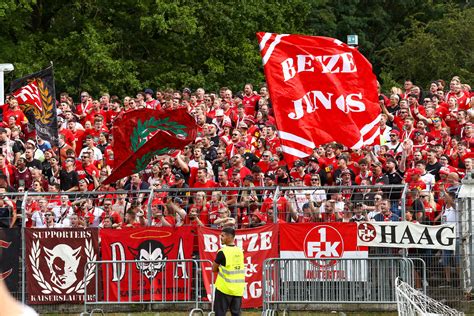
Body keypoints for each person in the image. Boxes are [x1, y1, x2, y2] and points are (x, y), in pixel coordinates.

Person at [212, 227, 245, 316]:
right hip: (238, 289)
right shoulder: (240, 251)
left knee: (220, 313)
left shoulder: (222, 252)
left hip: (224, 289)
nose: (220, 238)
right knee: (236, 314)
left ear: (229, 237)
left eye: (222, 236)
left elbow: (214, 268)